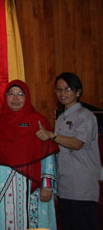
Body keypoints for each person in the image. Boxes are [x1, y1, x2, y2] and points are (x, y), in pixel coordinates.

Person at [0, 80, 59, 230]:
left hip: (32, 185)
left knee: (33, 221)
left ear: (27, 98)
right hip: (4, 183)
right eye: (11, 94)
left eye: (20, 94)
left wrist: (47, 185)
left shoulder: (37, 121)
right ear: (5, 97)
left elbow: (47, 155)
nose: (15, 98)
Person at [37, 72, 100, 230]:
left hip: (82, 186)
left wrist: (52, 135)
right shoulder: (61, 118)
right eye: (58, 89)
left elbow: (77, 143)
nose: (62, 93)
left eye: (67, 89)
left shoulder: (85, 116)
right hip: (65, 186)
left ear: (78, 92)